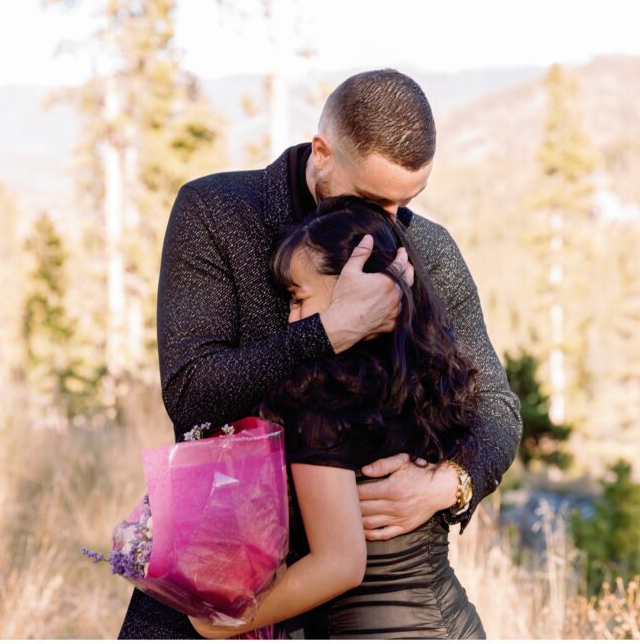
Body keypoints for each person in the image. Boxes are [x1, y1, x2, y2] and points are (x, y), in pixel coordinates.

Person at [118, 69, 522, 639]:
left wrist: (449, 484)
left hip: (372, 612)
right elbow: (190, 395)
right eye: (375, 198)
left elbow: (496, 407)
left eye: (408, 201)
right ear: (322, 153)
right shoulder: (217, 211)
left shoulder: (425, 246)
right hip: (227, 580)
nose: (390, 221)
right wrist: (326, 331)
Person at [188, 194, 487, 639]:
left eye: (298, 297)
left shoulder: (320, 402)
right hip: (454, 624)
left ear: (359, 288)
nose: (292, 320)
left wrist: (223, 621)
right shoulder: (427, 380)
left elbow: (341, 564)